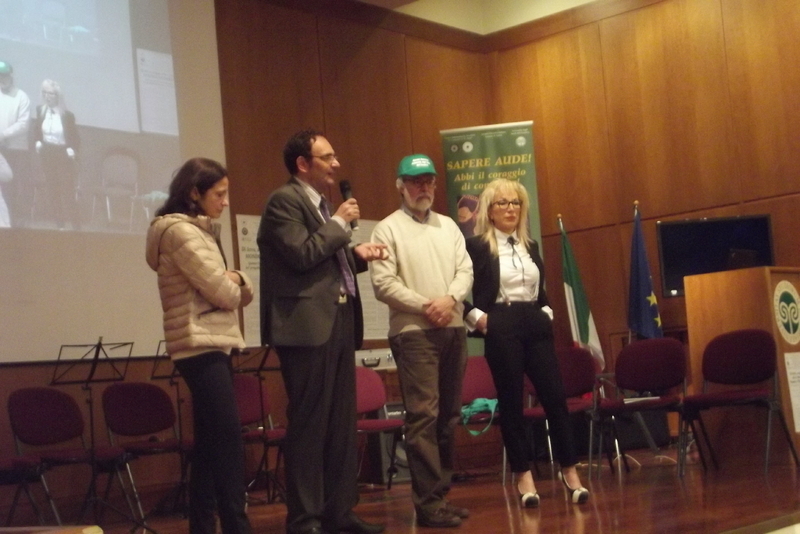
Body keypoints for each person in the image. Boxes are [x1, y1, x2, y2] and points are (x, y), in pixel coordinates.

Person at [257, 129, 387, 534]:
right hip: (305, 329)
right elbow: (301, 254)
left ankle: (339, 512)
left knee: (341, 424)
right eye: (327, 157)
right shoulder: (283, 201)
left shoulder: (321, 205)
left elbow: (323, 260)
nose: (336, 164)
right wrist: (339, 223)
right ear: (302, 163)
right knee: (311, 425)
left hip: (338, 322)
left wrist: (356, 256)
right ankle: (305, 519)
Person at [463, 178, 589, 508]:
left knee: (555, 398)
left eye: (516, 202)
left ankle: (570, 471)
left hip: (535, 322)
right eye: (503, 203)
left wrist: (546, 311)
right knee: (512, 403)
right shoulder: (477, 246)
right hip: (500, 324)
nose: (510, 209)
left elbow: (540, 288)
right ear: (489, 211)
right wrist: (478, 318)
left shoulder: (529, 246)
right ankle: (524, 475)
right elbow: (454, 287)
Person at [145, 157, 254, 534]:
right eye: (219, 194)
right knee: (228, 439)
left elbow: (230, 290)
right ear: (195, 193)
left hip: (209, 342)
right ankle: (237, 526)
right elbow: (224, 292)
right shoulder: (182, 233)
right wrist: (239, 279)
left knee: (210, 443)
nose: (225, 201)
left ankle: (202, 526)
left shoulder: (197, 230)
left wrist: (235, 280)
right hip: (199, 343)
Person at [369, 154, 474, 529]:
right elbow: (383, 284)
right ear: (400, 186)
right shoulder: (386, 229)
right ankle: (428, 505)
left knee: (448, 416)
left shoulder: (449, 226)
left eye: (428, 181)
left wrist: (450, 300)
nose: (423, 188)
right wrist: (427, 305)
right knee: (423, 417)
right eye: (415, 182)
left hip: (453, 327)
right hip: (414, 334)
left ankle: (439, 497)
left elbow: (465, 270)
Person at [32, 79, 81, 230]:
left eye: (51, 93)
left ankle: (75, 225)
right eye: (44, 93)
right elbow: (37, 130)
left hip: (63, 154)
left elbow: (75, 138)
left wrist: (72, 148)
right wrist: (38, 141)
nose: (47, 96)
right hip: (47, 153)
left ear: (58, 95)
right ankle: (60, 225)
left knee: (67, 190)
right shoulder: (40, 110)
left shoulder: (67, 115)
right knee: (53, 190)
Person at [0, 60, 30, 227]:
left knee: (12, 188)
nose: (1, 79)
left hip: (15, 150)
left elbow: (24, 124)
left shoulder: (21, 96)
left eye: (4, 76)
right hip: (0, 149)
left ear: (11, 76)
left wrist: (3, 134)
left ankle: (12, 225)